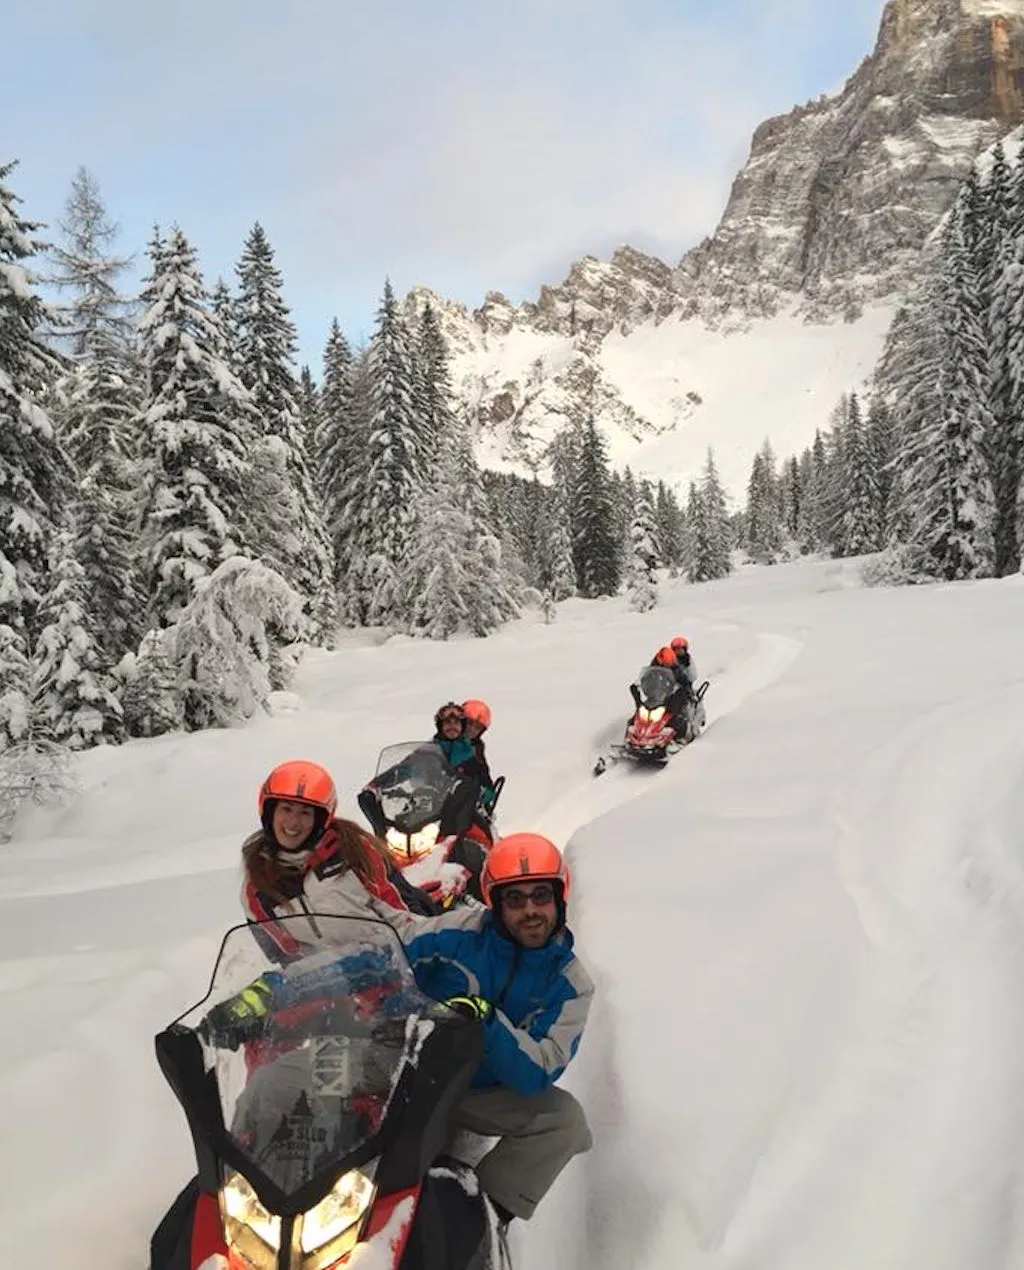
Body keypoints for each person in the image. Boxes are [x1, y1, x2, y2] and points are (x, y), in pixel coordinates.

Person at [237, 828, 593, 1229]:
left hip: (479, 1090)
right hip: (397, 1060)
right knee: (275, 1079)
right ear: (495, 902)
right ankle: (249, 1206)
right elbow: (374, 958)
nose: (530, 910)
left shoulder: (571, 986)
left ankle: (482, 1220)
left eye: (540, 896)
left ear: (559, 897)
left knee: (564, 1120)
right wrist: (276, 990)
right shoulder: (456, 933)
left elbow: (539, 1071)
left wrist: (486, 1021)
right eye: (515, 898)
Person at [242, 760, 437, 958]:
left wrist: (429, 952)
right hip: (331, 984)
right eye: (286, 809)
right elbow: (284, 957)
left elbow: (403, 915)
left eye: (305, 812)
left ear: (320, 818)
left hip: (397, 966)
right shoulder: (257, 886)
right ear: (269, 811)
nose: (293, 822)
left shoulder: (353, 852)